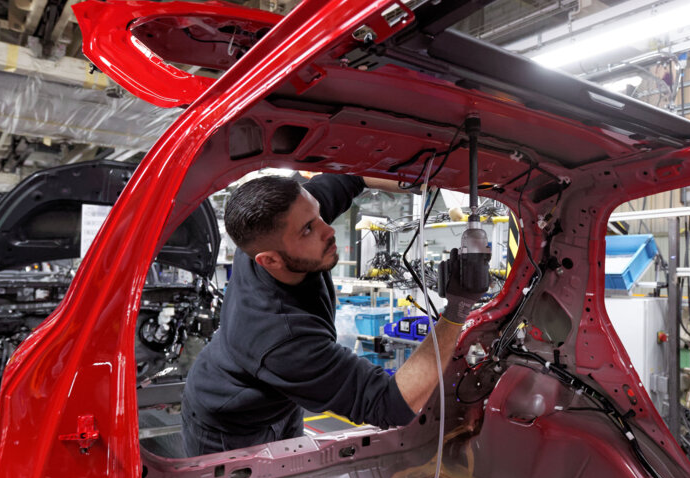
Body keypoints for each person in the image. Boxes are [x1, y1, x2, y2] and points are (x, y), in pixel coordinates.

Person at [181, 173, 485, 456]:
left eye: (317, 215)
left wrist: (423, 180)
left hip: (280, 398)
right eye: (308, 229)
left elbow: (352, 177)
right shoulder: (282, 339)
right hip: (229, 422)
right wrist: (458, 309)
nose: (328, 230)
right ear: (270, 260)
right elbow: (391, 404)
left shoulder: (283, 221)